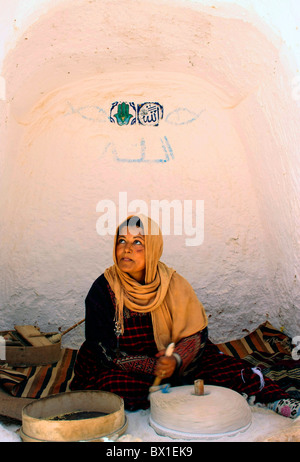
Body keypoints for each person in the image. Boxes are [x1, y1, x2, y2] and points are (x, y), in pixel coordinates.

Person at [70, 214, 300, 419]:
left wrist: (176, 360)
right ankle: (178, 392)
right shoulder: (102, 290)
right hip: (127, 366)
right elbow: (103, 349)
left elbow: (196, 334)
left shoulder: (173, 284)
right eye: (122, 241)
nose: (127, 249)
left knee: (225, 369)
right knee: (111, 386)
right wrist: (153, 367)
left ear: (153, 247)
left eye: (137, 242)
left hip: (178, 361)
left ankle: (275, 399)